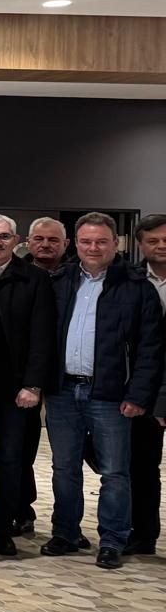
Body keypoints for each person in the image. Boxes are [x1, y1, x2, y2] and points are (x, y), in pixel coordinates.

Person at [42, 212, 163, 569]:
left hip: (112, 394)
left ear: (116, 244)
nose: (93, 248)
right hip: (64, 391)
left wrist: (137, 395)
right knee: (64, 468)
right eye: (86, 241)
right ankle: (65, 533)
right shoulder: (59, 281)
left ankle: (112, 540)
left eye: (101, 242)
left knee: (114, 472)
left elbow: (150, 349)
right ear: (75, 244)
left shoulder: (137, 287)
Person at [0, 215, 56, 557]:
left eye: (4, 236)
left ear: (16, 240)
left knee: (10, 459)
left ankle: (2, 527)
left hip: (16, 383)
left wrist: (33, 385)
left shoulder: (35, 278)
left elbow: (43, 334)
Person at [129, 214, 166, 557]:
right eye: (153, 241)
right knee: (142, 467)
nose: (161, 246)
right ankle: (143, 535)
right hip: (143, 389)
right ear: (140, 244)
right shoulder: (131, 280)